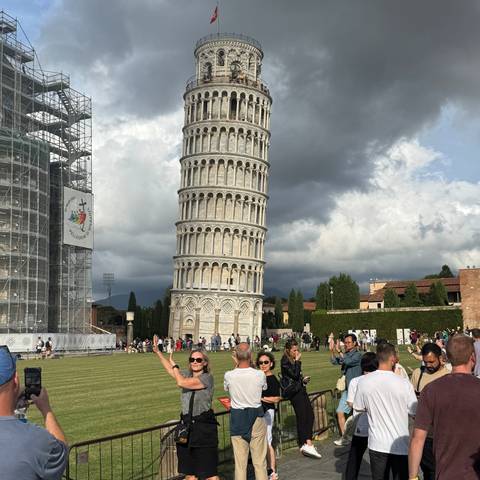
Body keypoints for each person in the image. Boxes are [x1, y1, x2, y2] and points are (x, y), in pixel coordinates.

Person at [409, 334, 480, 480]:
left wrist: (413, 477)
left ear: (446, 357)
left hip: (445, 472)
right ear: (473, 357)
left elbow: (418, 439)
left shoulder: (430, 390)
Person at [152, 335, 218, 480]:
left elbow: (181, 382)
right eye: (192, 359)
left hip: (203, 428)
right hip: (187, 428)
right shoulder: (188, 374)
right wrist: (158, 353)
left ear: (205, 363)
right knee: (190, 474)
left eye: (198, 360)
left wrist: (175, 366)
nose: (195, 362)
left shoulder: (207, 378)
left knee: (209, 475)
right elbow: (172, 371)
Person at [0, 345, 68, 479]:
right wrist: (46, 409)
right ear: (16, 380)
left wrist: (12, 403)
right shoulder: (37, 440)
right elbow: (62, 451)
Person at [353, 341, 417, 480]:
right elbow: (414, 412)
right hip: (399, 443)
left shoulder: (364, 381)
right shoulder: (404, 383)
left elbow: (358, 407)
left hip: (377, 443)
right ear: (393, 359)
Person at [224, 342, 268, 480]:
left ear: (236, 356)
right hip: (256, 416)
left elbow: (228, 387)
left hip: (238, 417)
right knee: (260, 463)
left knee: (240, 464)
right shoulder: (260, 374)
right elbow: (264, 388)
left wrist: (237, 363)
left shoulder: (229, 375)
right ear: (251, 356)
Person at [408, 342, 449, 480]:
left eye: (431, 362)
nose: (428, 365)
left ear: (440, 358)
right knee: (429, 473)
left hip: (444, 436)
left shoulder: (448, 376)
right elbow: (412, 401)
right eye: (425, 362)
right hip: (425, 436)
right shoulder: (417, 374)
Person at [281, 339, 321, 458]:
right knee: (302, 416)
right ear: (288, 350)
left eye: (297, 350)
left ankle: (306, 442)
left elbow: (298, 376)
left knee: (310, 415)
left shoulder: (292, 360)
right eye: (294, 350)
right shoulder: (285, 361)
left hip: (300, 389)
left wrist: (303, 380)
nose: (297, 352)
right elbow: (294, 374)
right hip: (294, 393)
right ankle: (306, 443)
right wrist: (298, 362)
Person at [344, 352, 378, 480]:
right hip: (377, 424)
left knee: (355, 458)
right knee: (380, 459)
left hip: (361, 425)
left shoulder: (355, 381)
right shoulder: (380, 380)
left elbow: (350, 402)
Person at [330, 333, 363, 437]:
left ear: (354, 343)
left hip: (357, 390)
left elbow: (347, 361)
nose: (346, 344)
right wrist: (332, 351)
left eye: (349, 342)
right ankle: (345, 437)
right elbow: (334, 361)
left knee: (359, 414)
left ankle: (360, 434)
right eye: (345, 343)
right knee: (340, 411)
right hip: (348, 389)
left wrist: (339, 351)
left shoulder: (358, 355)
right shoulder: (346, 354)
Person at [257, 351, 281, 480]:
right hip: (259, 411)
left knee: (267, 440)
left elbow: (277, 398)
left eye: (266, 362)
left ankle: (272, 471)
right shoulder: (258, 377)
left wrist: (261, 399)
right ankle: (265, 468)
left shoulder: (272, 379)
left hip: (268, 412)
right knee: (261, 441)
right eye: (261, 363)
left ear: (271, 363)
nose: (263, 365)